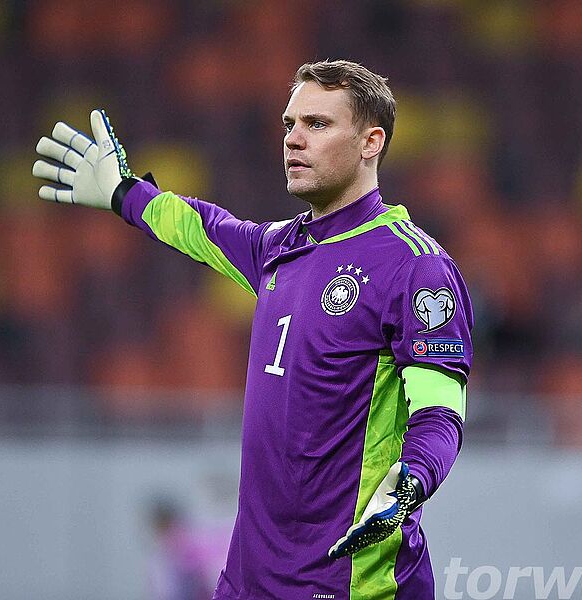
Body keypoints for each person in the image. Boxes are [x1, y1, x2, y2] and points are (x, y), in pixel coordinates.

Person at [33, 60, 473, 599]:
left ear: (370, 142)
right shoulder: (278, 249)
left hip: (353, 583)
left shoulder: (414, 266)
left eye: (317, 124)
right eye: (290, 124)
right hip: (249, 582)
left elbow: (440, 413)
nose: (293, 139)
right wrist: (124, 194)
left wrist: (409, 484)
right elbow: (202, 227)